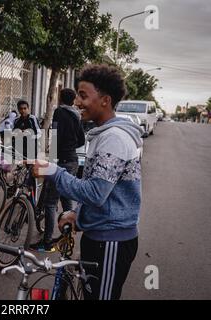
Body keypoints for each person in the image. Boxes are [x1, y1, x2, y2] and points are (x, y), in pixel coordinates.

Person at [31, 64, 143, 300]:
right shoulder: (104, 134)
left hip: (111, 240)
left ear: (105, 100)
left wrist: (53, 171)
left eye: (83, 95)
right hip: (101, 237)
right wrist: (78, 217)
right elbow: (103, 192)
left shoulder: (114, 138)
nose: (77, 102)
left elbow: (95, 193)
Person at [30, 88, 85, 252]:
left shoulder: (59, 112)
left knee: (50, 203)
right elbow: (81, 139)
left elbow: (54, 137)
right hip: (73, 160)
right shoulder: (76, 115)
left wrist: (51, 162)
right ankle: (67, 236)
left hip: (61, 161)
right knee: (66, 199)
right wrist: (69, 147)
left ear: (60, 98)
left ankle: (46, 242)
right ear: (73, 100)